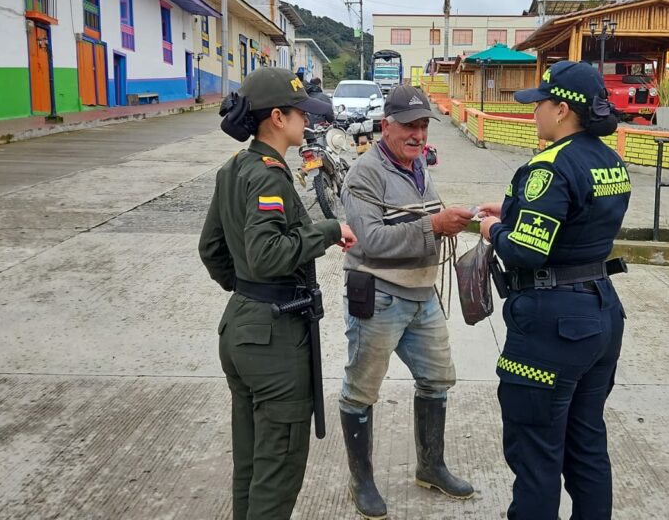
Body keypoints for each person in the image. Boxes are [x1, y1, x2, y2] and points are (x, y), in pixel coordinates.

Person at [198, 67, 357, 520]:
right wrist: (326, 230)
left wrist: (247, 291)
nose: (306, 122)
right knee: (278, 470)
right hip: (273, 342)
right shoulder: (268, 175)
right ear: (276, 118)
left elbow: (211, 249)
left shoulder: (234, 169)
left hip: (242, 327)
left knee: (249, 464)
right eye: (299, 113)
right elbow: (267, 253)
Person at [478, 60, 631, 520]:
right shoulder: (611, 161)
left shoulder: (549, 164)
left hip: (552, 327)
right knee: (586, 443)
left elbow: (527, 250)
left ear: (562, 109)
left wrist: (492, 230)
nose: (535, 112)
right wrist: (509, 214)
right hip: (600, 311)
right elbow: (573, 226)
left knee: (537, 452)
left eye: (540, 103)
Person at [338, 85, 476, 519]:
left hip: (422, 294)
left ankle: (431, 466)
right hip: (379, 296)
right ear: (386, 126)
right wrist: (434, 225)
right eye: (409, 126)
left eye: (423, 125)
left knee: (437, 381)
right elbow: (371, 240)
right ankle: (361, 480)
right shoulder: (364, 174)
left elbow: (418, 219)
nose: (418, 135)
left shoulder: (418, 167)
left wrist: (453, 221)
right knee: (361, 391)